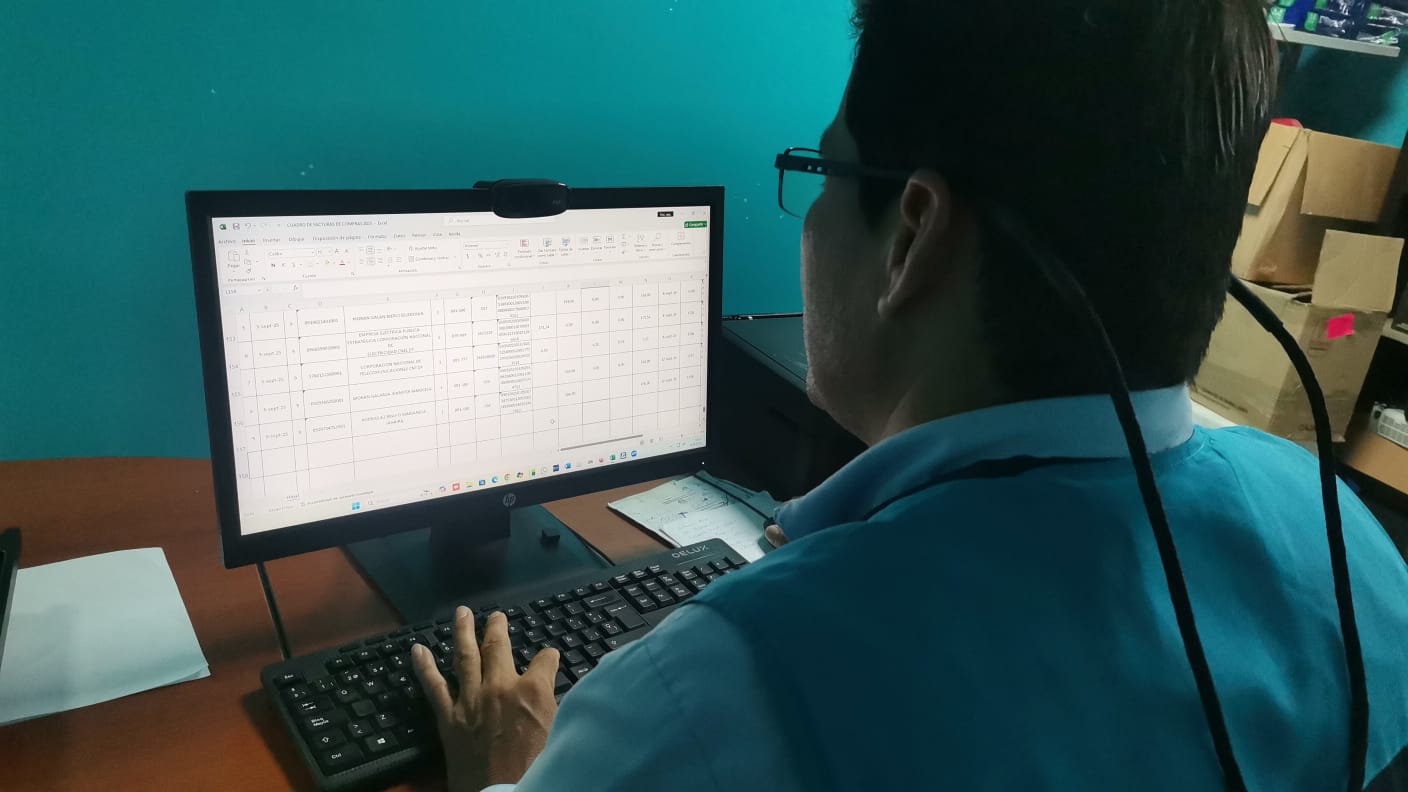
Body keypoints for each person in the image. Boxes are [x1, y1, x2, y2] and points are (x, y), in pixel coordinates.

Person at [411, 0, 1408, 788]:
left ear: (911, 235)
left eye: (819, 173)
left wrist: (507, 771)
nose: (809, 223)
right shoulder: (1346, 538)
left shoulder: (717, 692)